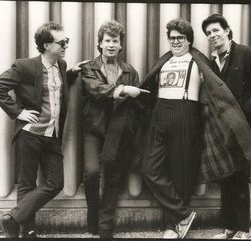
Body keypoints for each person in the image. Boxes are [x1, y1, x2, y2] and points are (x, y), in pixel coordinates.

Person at [137, 18, 251, 239]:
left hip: (187, 116)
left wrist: (235, 114)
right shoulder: (165, 60)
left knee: (181, 174)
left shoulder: (201, 60)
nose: (176, 41)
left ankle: (174, 225)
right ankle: (183, 213)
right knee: (149, 167)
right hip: (160, 115)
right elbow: (148, 87)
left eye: (181, 38)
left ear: (189, 41)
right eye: (172, 38)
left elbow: (217, 89)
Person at [0, 22, 86, 238]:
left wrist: (71, 73)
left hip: (52, 135)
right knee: (26, 184)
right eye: (62, 42)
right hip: (30, 134)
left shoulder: (61, 66)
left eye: (66, 41)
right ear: (46, 45)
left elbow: (54, 85)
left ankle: (13, 218)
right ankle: (28, 232)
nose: (65, 46)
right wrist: (18, 112)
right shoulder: (25, 66)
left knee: (55, 183)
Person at [201, 14, 251, 239]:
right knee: (226, 177)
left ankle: (242, 231)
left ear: (227, 30)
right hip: (220, 130)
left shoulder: (246, 53)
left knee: (240, 178)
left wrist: (242, 113)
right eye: (209, 33)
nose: (212, 35)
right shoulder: (212, 62)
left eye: (216, 30)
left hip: (241, 128)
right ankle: (229, 228)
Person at [80, 20, 148, 238]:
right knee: (91, 173)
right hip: (94, 128)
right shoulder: (89, 67)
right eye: (107, 40)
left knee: (113, 177)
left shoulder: (130, 71)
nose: (111, 45)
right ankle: (93, 217)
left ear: (121, 46)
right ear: (99, 44)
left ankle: (106, 226)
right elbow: (95, 90)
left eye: (115, 41)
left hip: (119, 132)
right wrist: (123, 89)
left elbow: (138, 106)